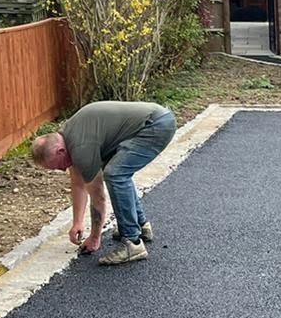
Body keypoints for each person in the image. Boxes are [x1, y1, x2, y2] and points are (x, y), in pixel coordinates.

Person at [30, 101, 177, 266]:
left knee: (116, 174)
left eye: (57, 166)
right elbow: (78, 184)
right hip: (155, 120)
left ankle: (132, 243)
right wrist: (77, 222)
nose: (62, 170)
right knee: (117, 172)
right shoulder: (70, 136)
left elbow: (98, 196)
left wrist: (94, 237)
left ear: (60, 151)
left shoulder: (80, 147)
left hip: (155, 126)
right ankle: (141, 226)